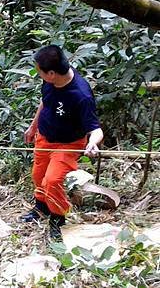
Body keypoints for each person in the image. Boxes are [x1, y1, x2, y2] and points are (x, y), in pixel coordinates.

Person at [22, 45, 103, 240]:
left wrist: (93, 143)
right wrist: (33, 127)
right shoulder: (51, 81)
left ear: (51, 73)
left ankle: (58, 218)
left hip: (67, 144)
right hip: (44, 135)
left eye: (39, 71)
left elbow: (96, 128)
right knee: (38, 174)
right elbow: (45, 101)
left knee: (53, 181)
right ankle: (41, 207)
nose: (37, 73)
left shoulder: (80, 95)